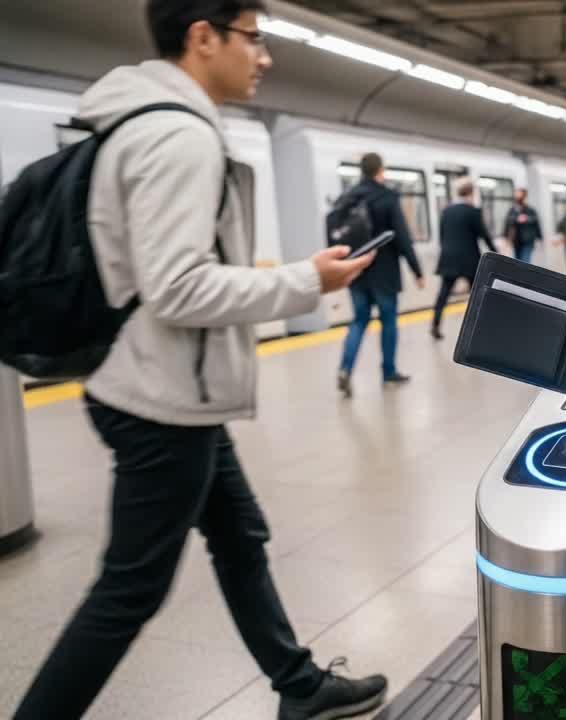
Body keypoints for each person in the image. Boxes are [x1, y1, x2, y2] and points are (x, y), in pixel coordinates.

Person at [13, 3, 390, 720]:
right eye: (254, 39)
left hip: (166, 387)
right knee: (129, 592)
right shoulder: (177, 136)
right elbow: (178, 287)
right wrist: (308, 280)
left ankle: (299, 686)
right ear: (202, 37)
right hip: (160, 400)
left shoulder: (144, 121)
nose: (264, 57)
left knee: (239, 537)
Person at [335, 152, 425, 397]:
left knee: (359, 321)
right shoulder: (387, 197)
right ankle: (388, 372)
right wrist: (417, 270)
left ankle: (345, 368)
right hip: (384, 272)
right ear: (380, 171)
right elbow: (402, 236)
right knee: (388, 321)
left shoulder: (348, 197)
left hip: (356, 270)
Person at [432, 178, 496, 340]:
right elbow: (484, 235)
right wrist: (495, 252)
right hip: (469, 259)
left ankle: (435, 325)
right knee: (477, 294)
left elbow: (442, 235)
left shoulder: (446, 211)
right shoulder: (473, 212)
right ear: (471, 193)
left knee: (443, 294)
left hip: (448, 258)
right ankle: (481, 328)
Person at [503, 187, 542, 263]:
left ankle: (524, 274)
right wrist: (505, 236)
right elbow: (508, 222)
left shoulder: (530, 210)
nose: (517, 196)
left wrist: (526, 219)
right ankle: (519, 274)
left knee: (525, 260)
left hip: (528, 239)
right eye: (516, 194)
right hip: (516, 239)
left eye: (519, 194)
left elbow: (536, 222)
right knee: (517, 261)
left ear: (524, 196)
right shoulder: (512, 210)